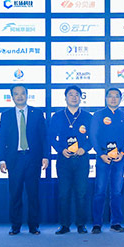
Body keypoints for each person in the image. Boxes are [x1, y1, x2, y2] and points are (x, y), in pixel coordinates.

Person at [0, 84, 49, 235]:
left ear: (27, 95)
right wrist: (1, 159)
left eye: (22, 93)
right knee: (15, 194)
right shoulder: (6, 115)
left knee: (33, 194)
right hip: (14, 160)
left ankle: (34, 226)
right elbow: (1, 139)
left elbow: (44, 137)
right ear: (12, 97)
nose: (19, 96)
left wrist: (46, 156)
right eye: (16, 94)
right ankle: (15, 226)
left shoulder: (37, 113)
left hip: (33, 159)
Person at [49, 85, 93, 234]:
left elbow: (93, 138)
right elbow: (51, 137)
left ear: (81, 97)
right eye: (70, 94)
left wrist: (84, 148)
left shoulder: (87, 116)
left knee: (81, 193)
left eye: (76, 95)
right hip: (64, 160)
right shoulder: (57, 116)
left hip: (81, 159)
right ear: (65, 97)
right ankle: (64, 225)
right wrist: (61, 149)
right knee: (64, 193)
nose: (74, 97)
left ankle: (81, 224)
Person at [90, 88, 124, 234]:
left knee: (117, 192)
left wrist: (122, 153)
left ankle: (116, 222)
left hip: (119, 158)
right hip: (102, 158)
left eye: (116, 96)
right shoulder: (98, 115)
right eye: (110, 96)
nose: (113, 99)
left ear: (120, 99)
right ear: (106, 98)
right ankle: (97, 223)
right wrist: (101, 154)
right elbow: (93, 136)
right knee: (100, 191)